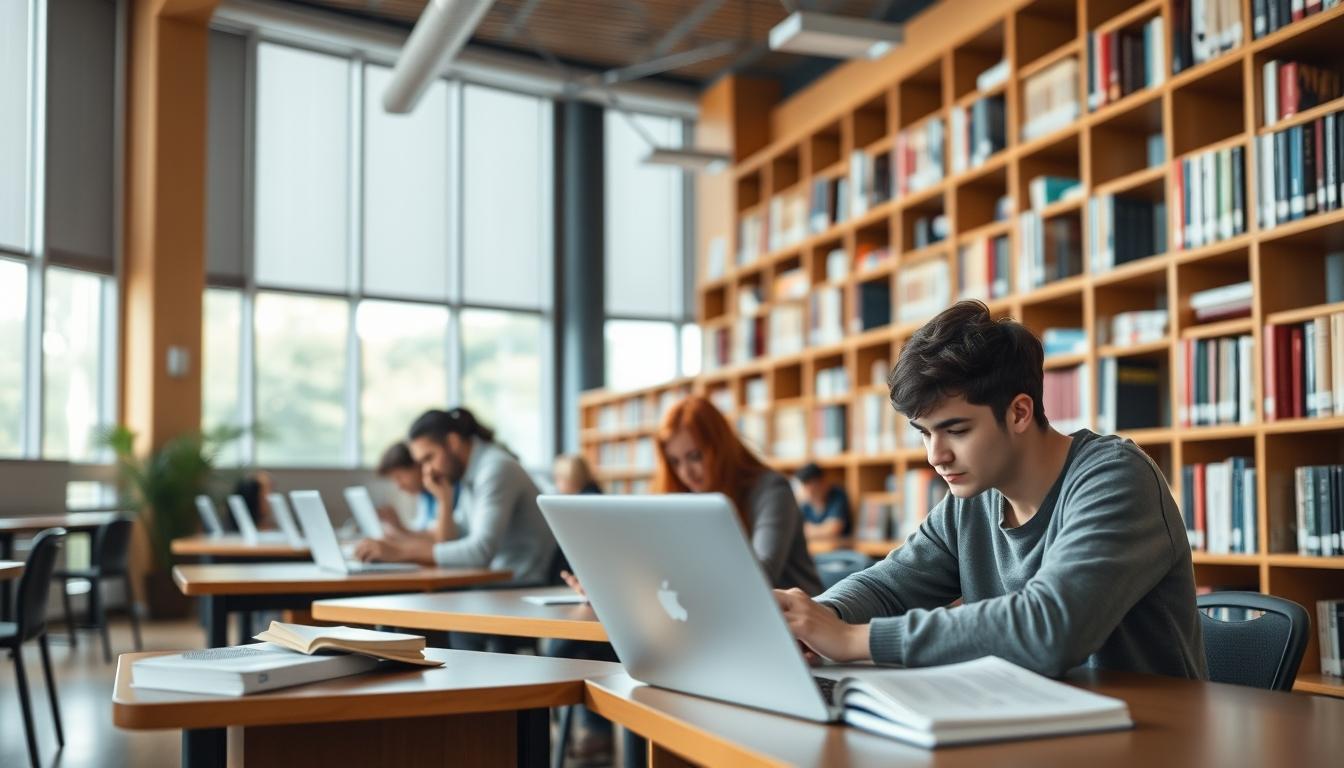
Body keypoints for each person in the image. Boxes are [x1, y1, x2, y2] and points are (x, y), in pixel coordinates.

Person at [774, 300, 1207, 679]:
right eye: (924, 433)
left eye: (956, 430)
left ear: (1020, 413)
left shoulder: (1116, 480)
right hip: (1029, 727)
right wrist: (817, 619)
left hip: (1148, 739)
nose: (935, 456)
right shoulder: (974, 497)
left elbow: (1051, 626)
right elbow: (890, 586)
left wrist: (853, 639)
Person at [562, 394, 821, 597]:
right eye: (675, 462)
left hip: (801, 632)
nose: (686, 472)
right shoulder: (686, 497)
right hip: (726, 622)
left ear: (720, 446)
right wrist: (610, 587)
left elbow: (759, 576)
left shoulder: (771, 489)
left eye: (695, 456)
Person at [354, 408, 556, 586]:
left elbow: (479, 552)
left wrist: (398, 552)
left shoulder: (495, 469)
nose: (427, 471)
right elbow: (454, 536)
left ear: (453, 442)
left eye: (429, 458)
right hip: (494, 581)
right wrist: (444, 501)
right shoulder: (470, 473)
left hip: (521, 584)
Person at [374, 441, 458, 543]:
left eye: (399, 477)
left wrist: (401, 531)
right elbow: (425, 532)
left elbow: (442, 539)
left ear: (418, 465)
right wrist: (398, 529)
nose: (399, 486)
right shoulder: (425, 495)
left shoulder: (450, 490)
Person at [794, 462, 852, 540]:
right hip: (815, 548)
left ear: (822, 481)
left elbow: (833, 529)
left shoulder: (837, 495)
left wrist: (809, 530)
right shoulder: (804, 502)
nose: (807, 489)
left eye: (811, 484)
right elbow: (795, 530)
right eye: (804, 485)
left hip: (839, 548)